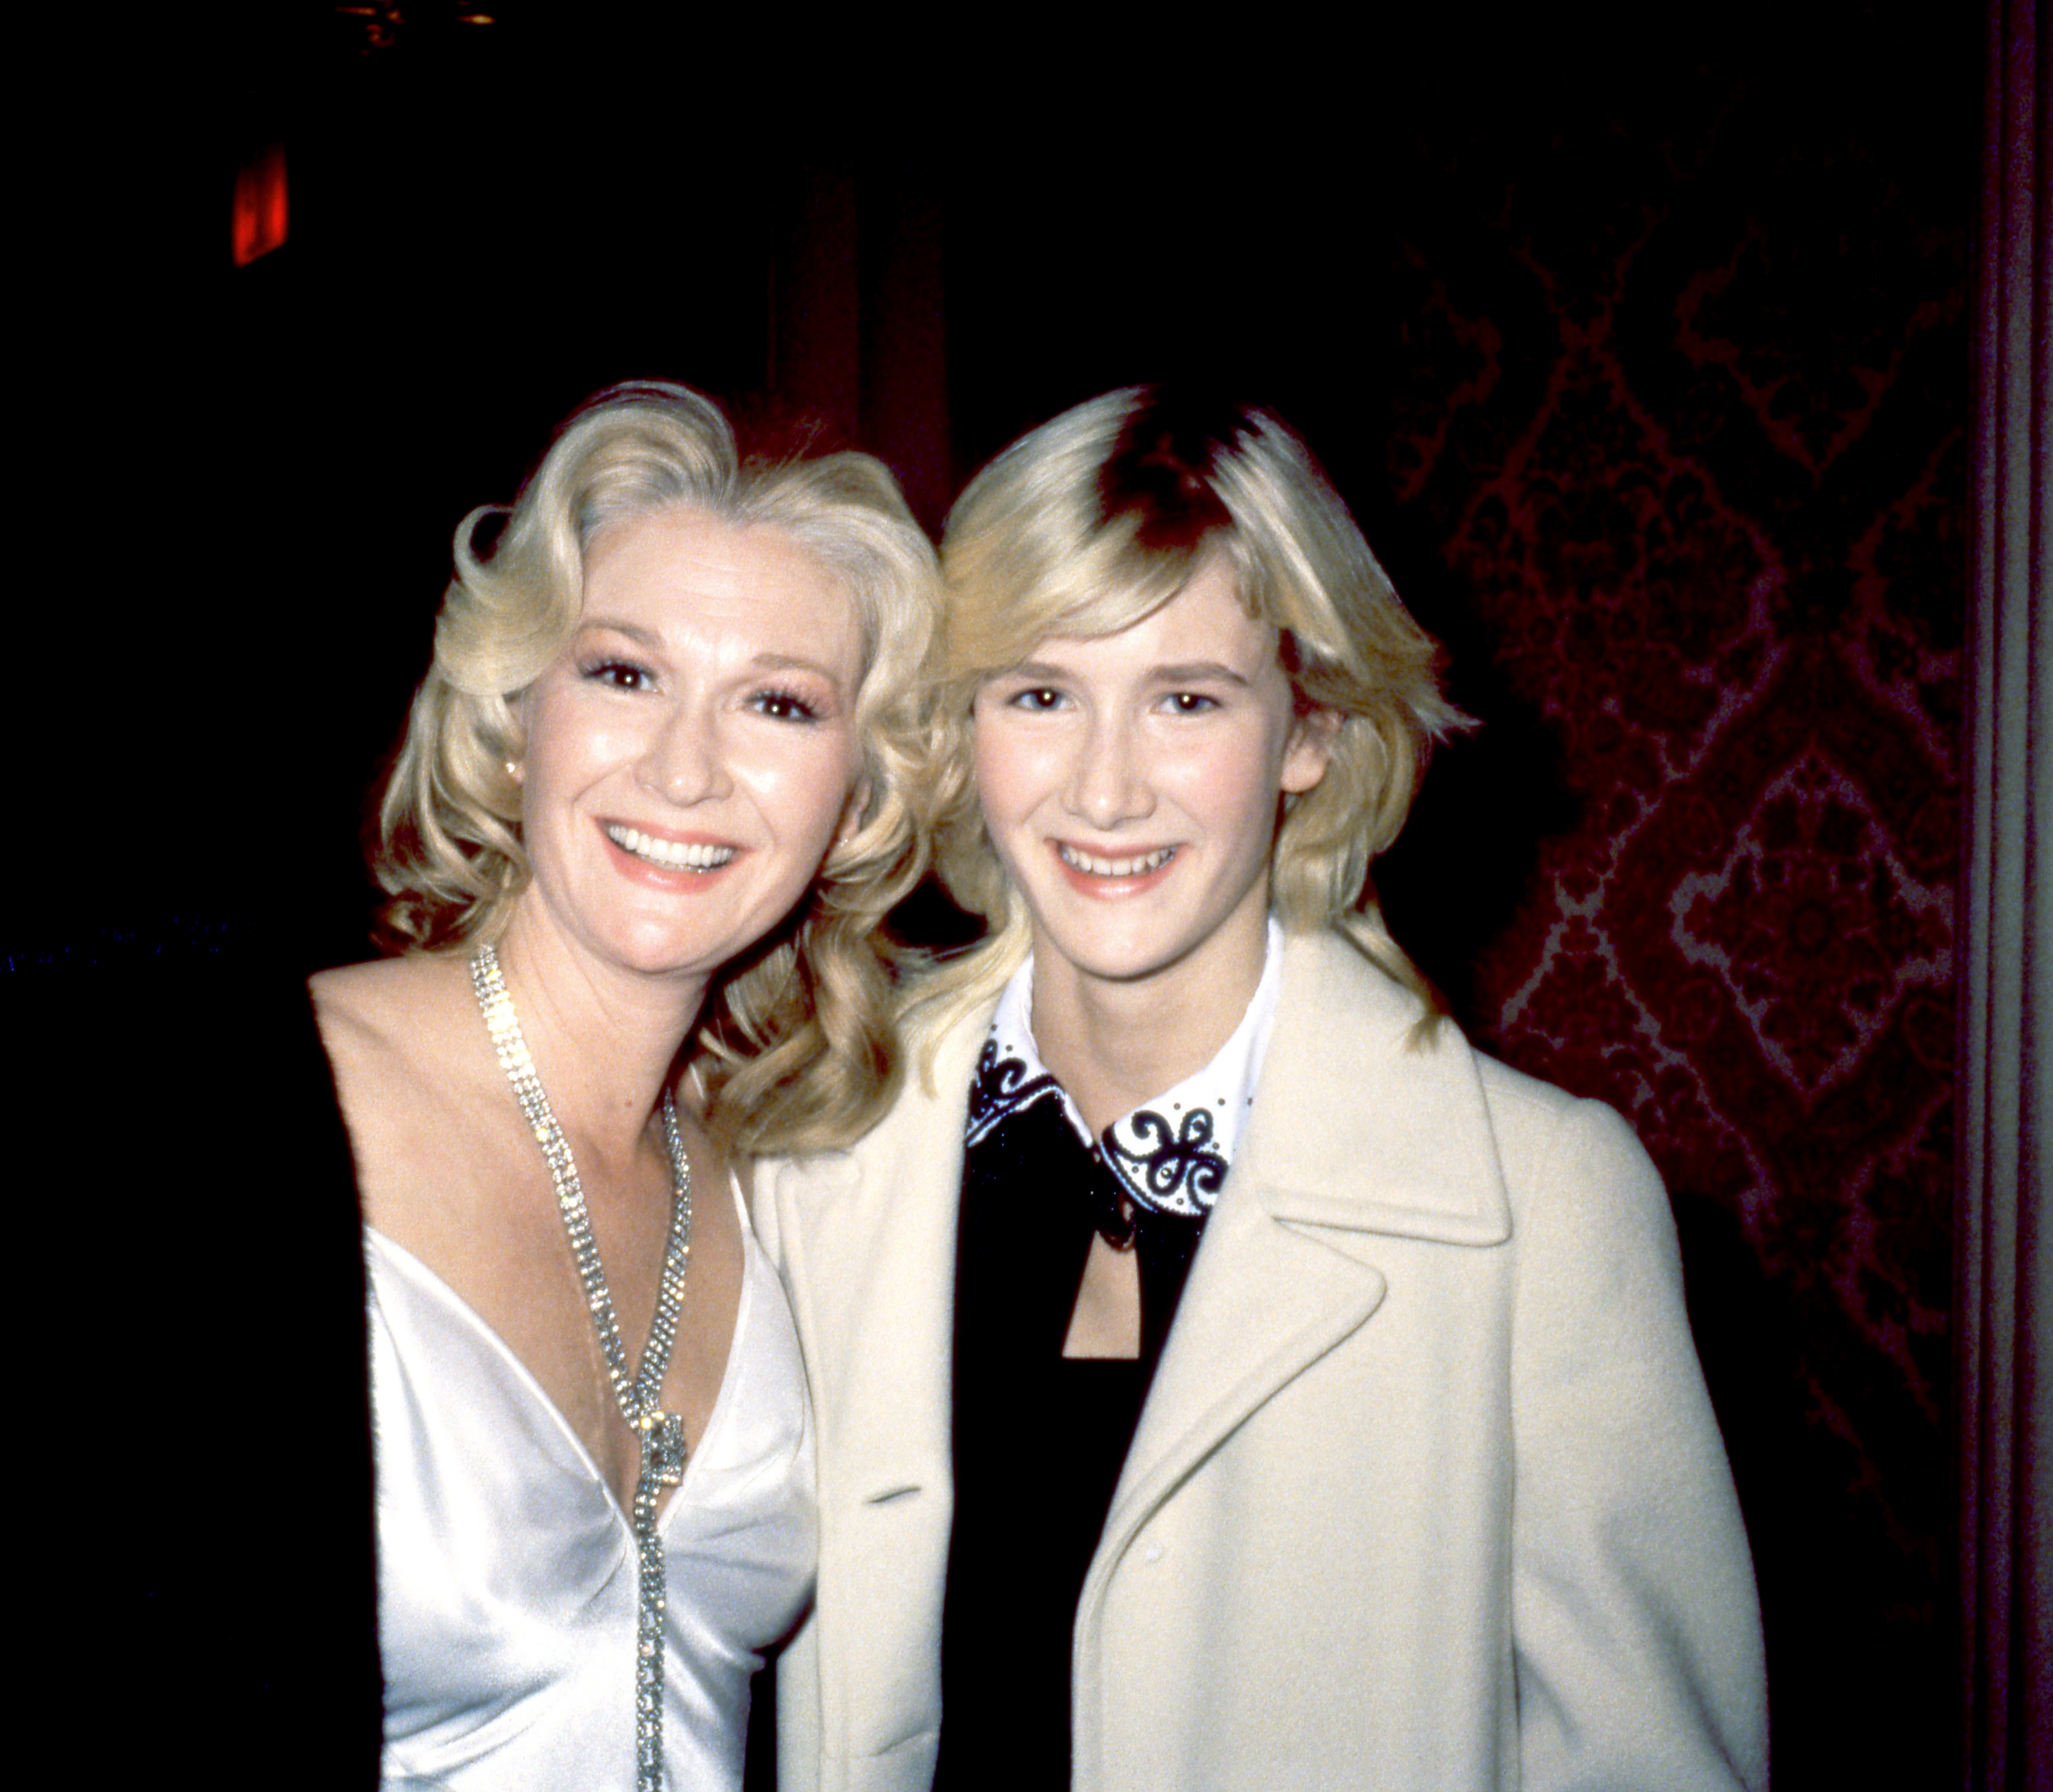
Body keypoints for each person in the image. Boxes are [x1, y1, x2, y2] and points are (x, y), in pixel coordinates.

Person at [750, 388, 1768, 1791]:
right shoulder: (810, 1150)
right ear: (957, 728)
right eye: (1040, 695)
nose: (1103, 791)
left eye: (1185, 700)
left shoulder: (1542, 1207)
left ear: (1309, 735)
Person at [304, 381, 943, 1789]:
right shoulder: (269, 1102)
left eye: (776, 703)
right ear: (516, 710)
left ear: (858, 793)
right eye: (622, 671)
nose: (683, 767)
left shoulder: (784, 1178)